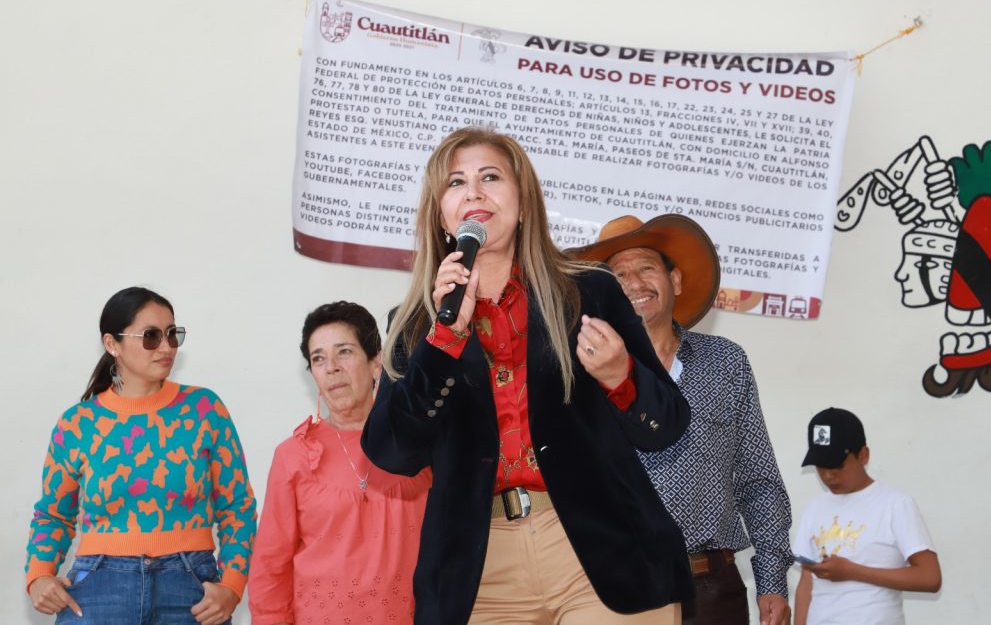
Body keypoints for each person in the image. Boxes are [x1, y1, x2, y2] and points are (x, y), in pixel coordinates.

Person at [360, 127, 694, 625]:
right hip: (479, 570)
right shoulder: (414, 326)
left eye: (490, 177)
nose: (474, 192)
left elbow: (666, 425)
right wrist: (444, 339)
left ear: (523, 203)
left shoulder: (591, 291)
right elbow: (391, 452)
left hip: (603, 555)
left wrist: (619, 374)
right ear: (441, 216)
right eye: (456, 183)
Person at [567, 214, 794, 625]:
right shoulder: (577, 370)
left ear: (675, 281)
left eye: (646, 267)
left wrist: (773, 581)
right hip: (612, 590)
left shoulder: (725, 362)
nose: (634, 283)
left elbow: (758, 480)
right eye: (619, 275)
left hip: (711, 589)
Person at [25, 286, 257, 625]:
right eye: (151, 336)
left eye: (172, 334)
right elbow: (53, 514)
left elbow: (237, 507)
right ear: (112, 344)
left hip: (192, 592)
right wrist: (38, 576)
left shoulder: (205, 409)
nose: (166, 347)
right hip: (97, 591)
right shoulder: (77, 424)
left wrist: (232, 586)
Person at [248, 301, 431, 625]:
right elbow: (270, 567)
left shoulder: (419, 444)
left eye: (344, 352)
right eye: (318, 358)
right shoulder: (294, 455)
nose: (331, 367)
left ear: (376, 363)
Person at [792, 407, 942, 625]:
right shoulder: (815, 507)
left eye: (836, 465)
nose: (828, 475)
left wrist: (853, 571)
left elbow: (930, 578)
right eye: (821, 466)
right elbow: (807, 583)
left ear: (863, 455)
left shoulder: (895, 504)